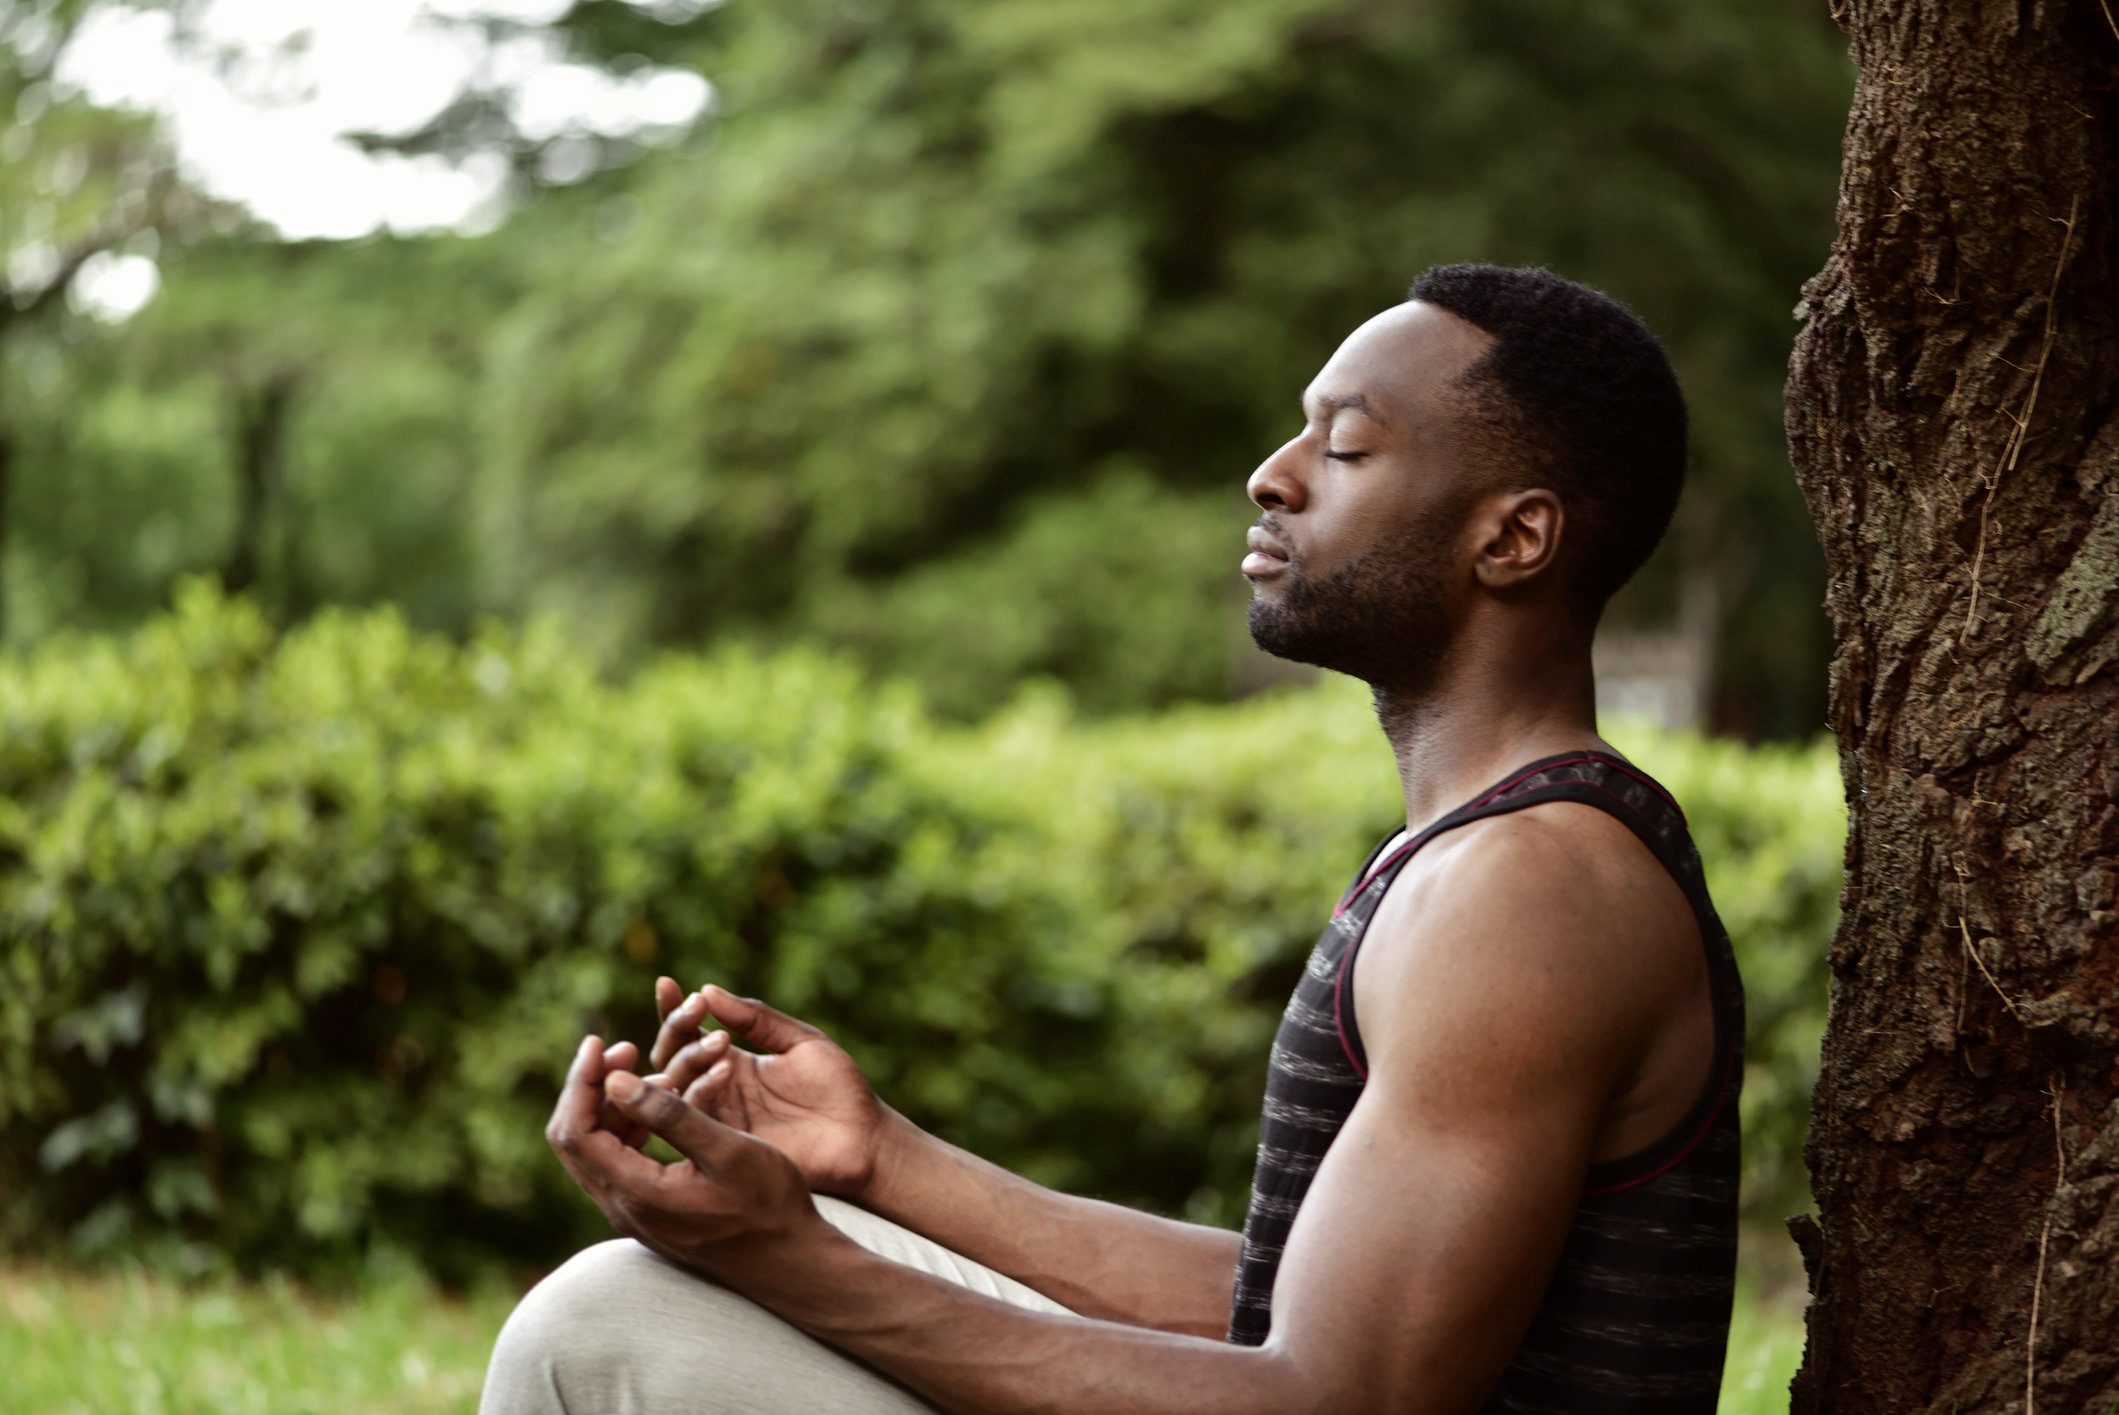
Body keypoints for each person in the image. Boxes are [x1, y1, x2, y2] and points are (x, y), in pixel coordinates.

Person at [481, 263, 1746, 1414]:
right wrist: (876, 1161)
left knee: (606, 1328)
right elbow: (1285, 1303)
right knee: (641, 1299)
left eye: (1346, 446)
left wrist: (791, 1255)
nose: (1276, 471)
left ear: (1512, 537)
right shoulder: (1490, 851)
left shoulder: (1530, 891)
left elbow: (1338, 1396)